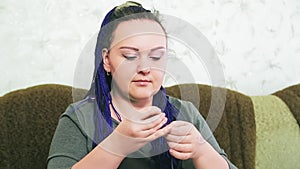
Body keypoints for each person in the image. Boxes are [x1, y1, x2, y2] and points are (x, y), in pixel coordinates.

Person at [47, 1, 237, 169]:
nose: (145, 68)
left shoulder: (185, 112)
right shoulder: (80, 118)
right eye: (130, 56)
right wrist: (118, 145)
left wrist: (201, 150)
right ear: (106, 60)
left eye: (156, 57)